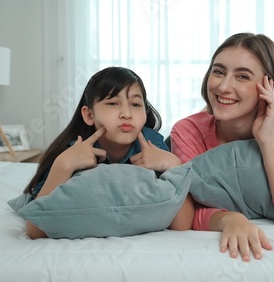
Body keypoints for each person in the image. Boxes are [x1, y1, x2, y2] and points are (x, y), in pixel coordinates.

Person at [169, 33, 274, 262]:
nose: (223, 86)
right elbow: (187, 213)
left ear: (268, 86)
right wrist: (229, 219)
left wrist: (267, 141)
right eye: (218, 71)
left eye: (242, 76)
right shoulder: (187, 131)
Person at [23, 66, 181, 239]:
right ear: (89, 115)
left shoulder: (153, 144)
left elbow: (181, 225)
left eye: (136, 104)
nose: (126, 114)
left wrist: (175, 165)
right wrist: (63, 165)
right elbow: (34, 231)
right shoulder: (72, 151)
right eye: (113, 103)